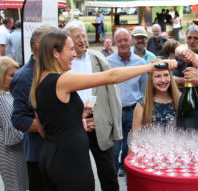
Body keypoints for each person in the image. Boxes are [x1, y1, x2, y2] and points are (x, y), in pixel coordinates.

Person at [29, 30, 177, 190]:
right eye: (70, 49)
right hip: (68, 161)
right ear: (55, 53)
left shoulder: (40, 81)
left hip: (53, 157)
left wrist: (75, 119)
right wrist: (152, 66)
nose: (74, 54)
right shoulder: (60, 80)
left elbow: (45, 128)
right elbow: (112, 76)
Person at [63, 20, 121, 191]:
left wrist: (109, 121)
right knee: (80, 174)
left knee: (108, 173)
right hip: (74, 123)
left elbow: (112, 92)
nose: (82, 40)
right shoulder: (64, 63)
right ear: (68, 40)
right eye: (76, 37)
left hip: (98, 122)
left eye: (83, 36)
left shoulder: (98, 58)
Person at [10, 25, 56, 191]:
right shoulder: (23, 77)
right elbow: (19, 119)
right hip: (39, 155)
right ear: (39, 45)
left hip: (59, 153)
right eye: (54, 43)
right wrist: (54, 127)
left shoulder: (54, 70)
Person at [107, 28, 148, 177]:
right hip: (115, 111)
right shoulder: (107, 63)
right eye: (120, 40)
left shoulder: (140, 63)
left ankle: (126, 170)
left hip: (133, 111)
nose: (123, 43)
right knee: (115, 147)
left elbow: (144, 91)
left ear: (130, 40)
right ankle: (113, 173)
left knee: (130, 145)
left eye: (126, 40)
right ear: (115, 42)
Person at [0, 57, 28, 191]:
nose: (16, 79)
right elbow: (13, 132)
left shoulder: (11, 94)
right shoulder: (3, 98)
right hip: (11, 153)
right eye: (11, 76)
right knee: (15, 186)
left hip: (16, 150)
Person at [132, 59, 180, 129]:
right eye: (158, 76)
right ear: (150, 79)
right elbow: (135, 137)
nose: (163, 80)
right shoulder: (142, 104)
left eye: (166, 75)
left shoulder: (180, 100)